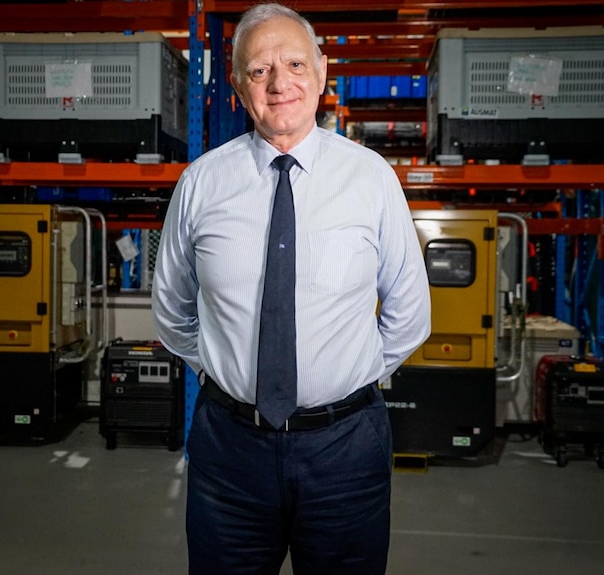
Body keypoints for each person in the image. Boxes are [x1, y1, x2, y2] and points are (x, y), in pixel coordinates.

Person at [151, 3, 431, 574]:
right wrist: (221, 371)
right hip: (230, 449)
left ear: (322, 72)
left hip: (346, 450)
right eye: (260, 71)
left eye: (296, 64)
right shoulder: (201, 184)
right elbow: (172, 307)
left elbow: (409, 309)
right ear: (237, 86)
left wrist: (347, 384)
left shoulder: (371, 177)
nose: (280, 84)